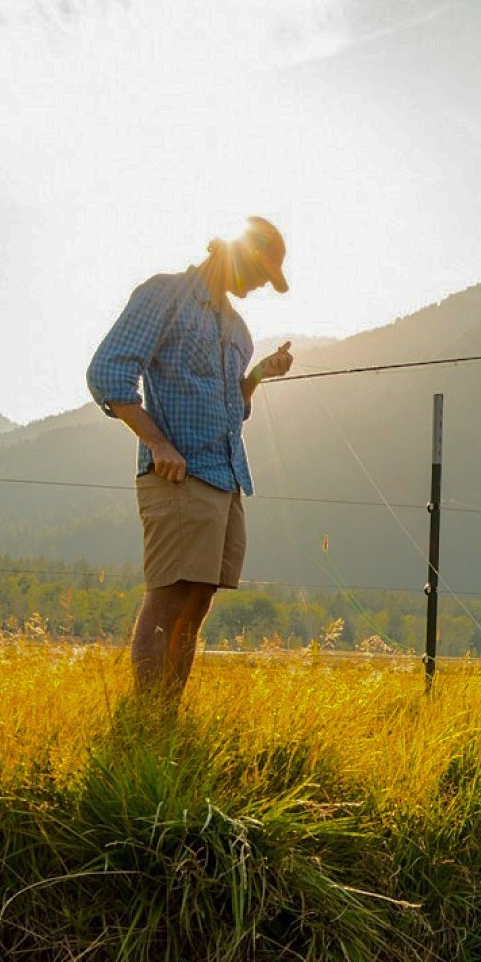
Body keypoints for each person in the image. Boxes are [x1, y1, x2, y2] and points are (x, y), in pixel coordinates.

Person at [86, 216, 294, 703]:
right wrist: (157, 443)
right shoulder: (165, 295)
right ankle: (145, 722)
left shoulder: (240, 329)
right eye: (262, 272)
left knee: (197, 602)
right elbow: (107, 371)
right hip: (178, 476)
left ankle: (165, 722)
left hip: (225, 477)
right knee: (170, 597)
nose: (262, 284)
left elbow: (230, 408)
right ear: (239, 254)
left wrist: (259, 374)